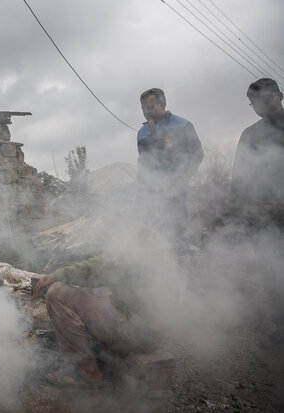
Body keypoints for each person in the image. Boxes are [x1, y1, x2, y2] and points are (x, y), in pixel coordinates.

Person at [32, 224, 177, 388]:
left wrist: (56, 275)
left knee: (57, 293)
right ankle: (105, 348)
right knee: (100, 289)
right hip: (153, 333)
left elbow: (100, 267)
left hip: (137, 334)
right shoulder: (155, 237)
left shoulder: (136, 233)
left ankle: (87, 371)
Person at [136, 88, 204, 254]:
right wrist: (142, 185)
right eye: (143, 108)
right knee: (153, 229)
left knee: (176, 228)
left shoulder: (182, 125)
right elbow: (143, 162)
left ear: (163, 104)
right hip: (151, 192)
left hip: (175, 190)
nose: (146, 112)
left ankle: (180, 265)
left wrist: (179, 178)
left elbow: (196, 154)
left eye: (150, 107)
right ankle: (158, 265)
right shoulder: (142, 133)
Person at [231, 78, 284, 232]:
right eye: (255, 102)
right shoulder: (250, 134)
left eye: (266, 99)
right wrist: (235, 216)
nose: (262, 105)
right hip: (260, 215)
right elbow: (239, 179)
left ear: (280, 96)